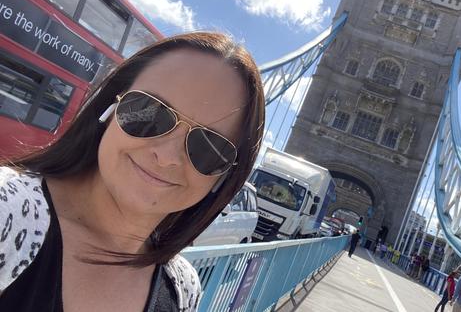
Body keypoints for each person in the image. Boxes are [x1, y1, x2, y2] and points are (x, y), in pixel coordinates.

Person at [0, 32, 266, 311]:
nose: (166, 157)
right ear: (110, 109)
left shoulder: (183, 289)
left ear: (224, 178)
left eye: (209, 147)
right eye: (149, 112)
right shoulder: (10, 213)